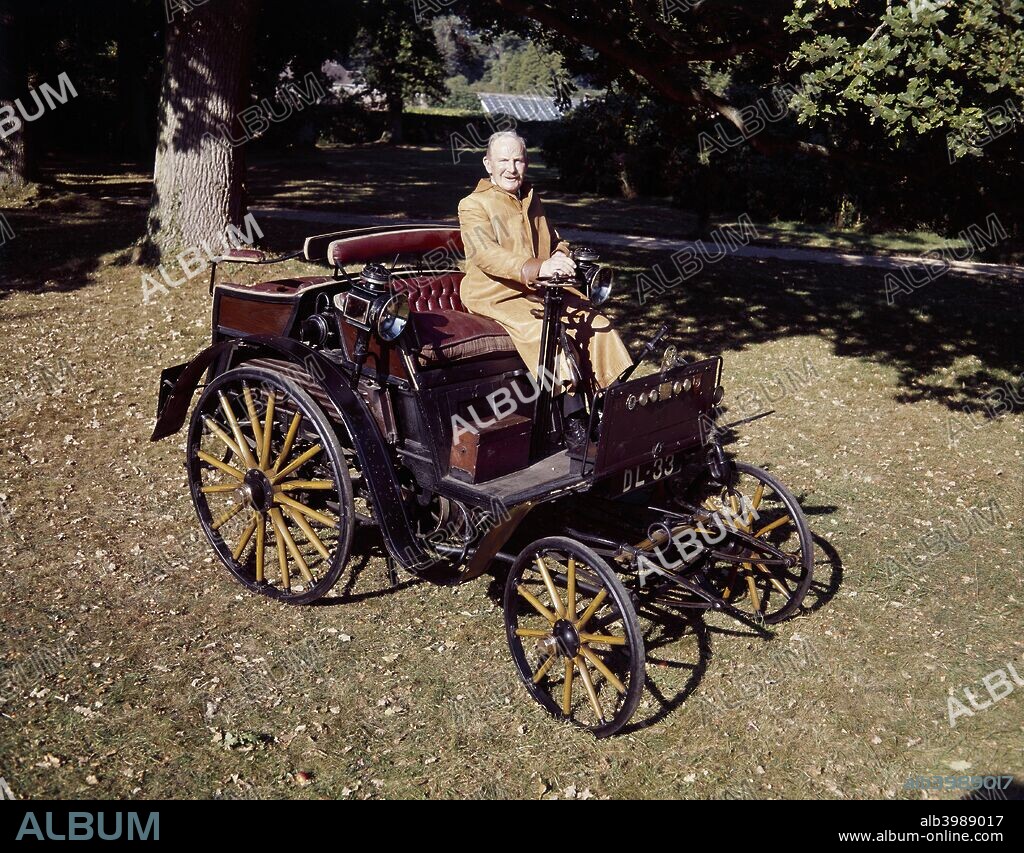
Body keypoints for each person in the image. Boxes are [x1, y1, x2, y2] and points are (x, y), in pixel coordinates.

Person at [457, 131, 632, 393]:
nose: (511, 169)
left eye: (518, 161)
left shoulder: (531, 198)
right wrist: (539, 267)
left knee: (596, 324)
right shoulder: (473, 204)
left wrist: (560, 254)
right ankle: (572, 419)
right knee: (549, 335)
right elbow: (485, 254)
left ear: (526, 163)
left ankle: (610, 403)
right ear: (488, 164)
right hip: (496, 295)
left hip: (541, 292)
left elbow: (554, 240)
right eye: (503, 161)